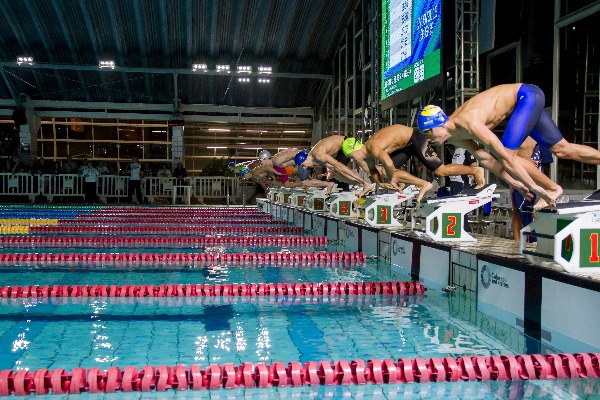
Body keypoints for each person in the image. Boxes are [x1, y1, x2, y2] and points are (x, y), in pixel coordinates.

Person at [417, 83, 600, 208]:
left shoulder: (470, 123)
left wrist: (534, 187)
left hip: (526, 96)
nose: (428, 139)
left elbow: (505, 158)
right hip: (525, 103)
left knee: (508, 154)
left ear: (438, 125)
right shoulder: (454, 137)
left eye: (428, 133)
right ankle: (551, 187)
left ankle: (552, 188)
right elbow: (485, 158)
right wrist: (513, 182)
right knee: (562, 149)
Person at [337, 126, 485, 203]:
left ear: (354, 151)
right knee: (384, 172)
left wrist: (392, 177)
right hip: (406, 145)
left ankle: (475, 171)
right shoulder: (367, 154)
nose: (353, 160)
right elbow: (373, 170)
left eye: (351, 157)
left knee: (441, 170)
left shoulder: (373, 147)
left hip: (416, 138)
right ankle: (423, 184)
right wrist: (380, 183)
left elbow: (388, 162)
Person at [298, 135, 374, 197]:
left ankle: (366, 183)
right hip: (343, 147)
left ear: (306, 158)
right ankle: (365, 184)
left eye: (303, 165)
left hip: (347, 144)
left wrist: (358, 179)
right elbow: (333, 167)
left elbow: (339, 165)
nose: (305, 167)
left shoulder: (319, 155)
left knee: (342, 170)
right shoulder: (315, 157)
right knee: (336, 172)